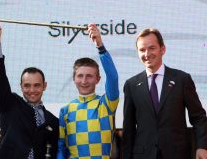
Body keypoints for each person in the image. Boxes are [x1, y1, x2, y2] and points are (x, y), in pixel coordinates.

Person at [122, 28, 207, 159]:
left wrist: (202, 147)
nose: (147, 53)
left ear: (163, 49)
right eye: (142, 50)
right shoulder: (131, 85)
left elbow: (198, 117)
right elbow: (129, 128)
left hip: (177, 154)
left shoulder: (182, 79)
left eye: (152, 48)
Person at [0, 19, 59, 159]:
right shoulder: (10, 104)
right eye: (27, 85)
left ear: (44, 86)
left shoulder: (53, 121)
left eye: (37, 85)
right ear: (21, 86)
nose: (32, 90)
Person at [57, 23, 119, 158]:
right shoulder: (65, 110)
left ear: (98, 79)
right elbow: (61, 147)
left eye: (89, 76)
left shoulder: (106, 104)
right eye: (80, 76)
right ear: (74, 78)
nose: (84, 81)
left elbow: (113, 77)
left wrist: (100, 46)